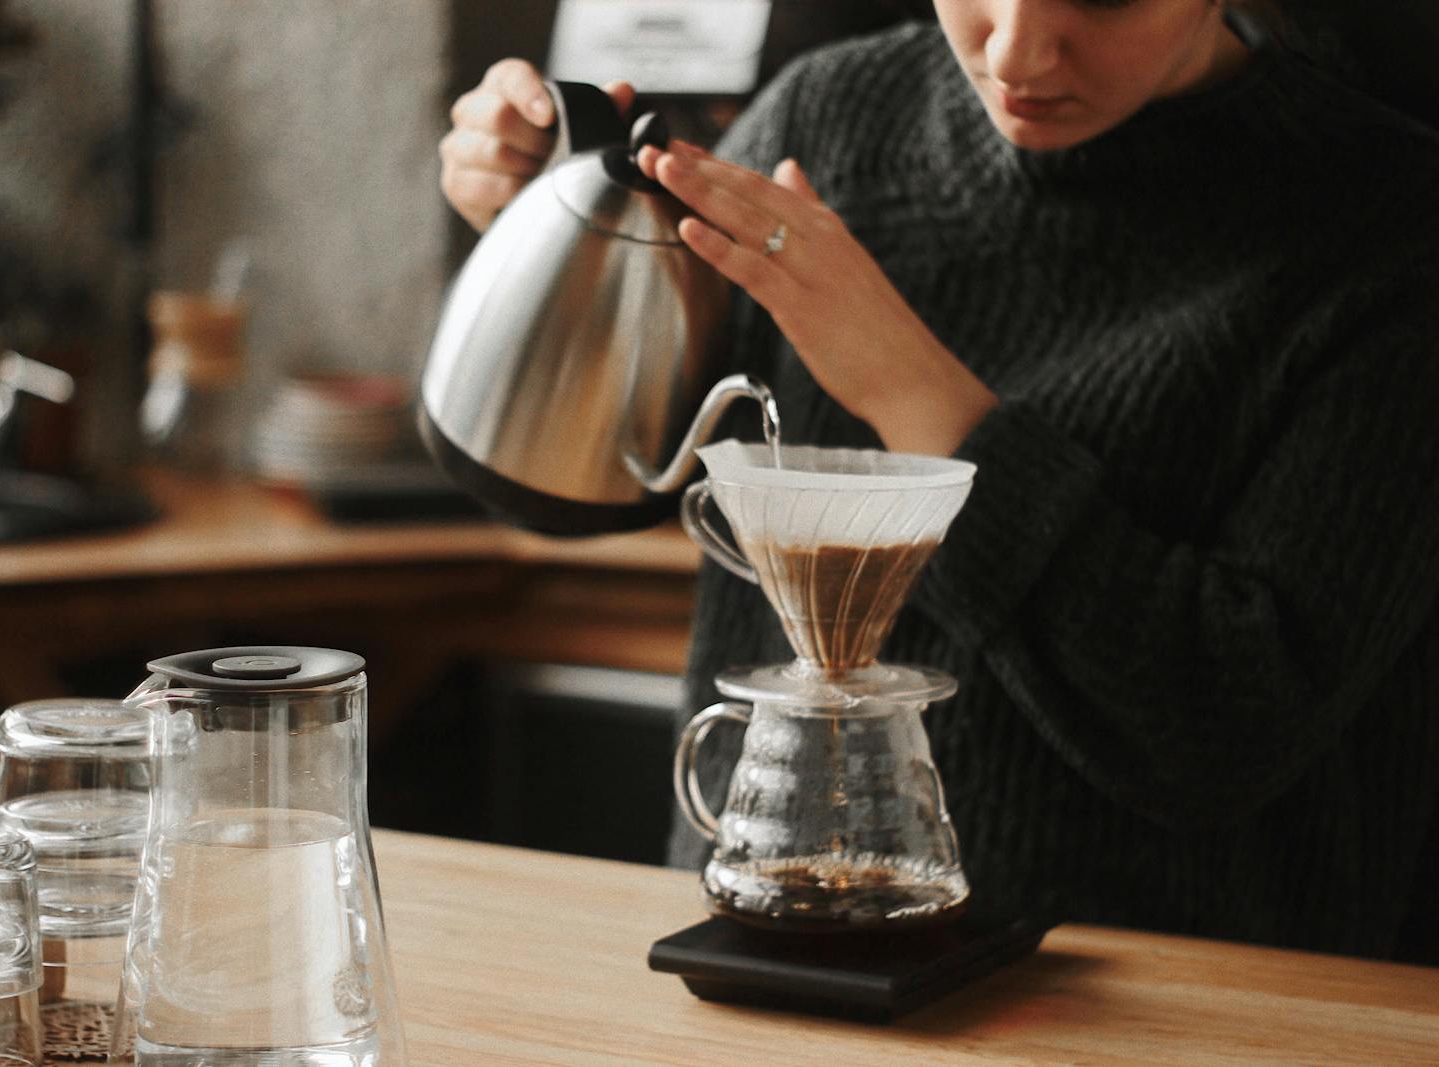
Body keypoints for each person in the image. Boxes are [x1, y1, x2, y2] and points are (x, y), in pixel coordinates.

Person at [439, 1, 1439, 962]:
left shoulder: (1388, 230)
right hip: (766, 962)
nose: (1015, 52)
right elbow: (586, 486)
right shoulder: (829, 115)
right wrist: (555, 239)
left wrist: (911, 390)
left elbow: (1225, 722)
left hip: (1176, 1012)